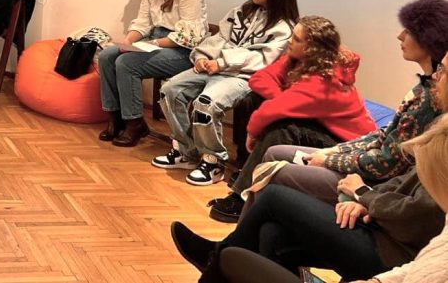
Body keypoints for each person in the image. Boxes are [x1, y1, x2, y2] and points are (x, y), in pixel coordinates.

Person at [171, 50, 448, 283]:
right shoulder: (433, 111)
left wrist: (363, 193)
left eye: (443, 70)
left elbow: (416, 209)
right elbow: (397, 169)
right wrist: (364, 197)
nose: (436, 76)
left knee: (274, 192)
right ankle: (223, 255)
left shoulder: (434, 120)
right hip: (376, 212)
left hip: (392, 245)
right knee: (271, 232)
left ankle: (216, 261)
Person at [253, 0, 448, 205]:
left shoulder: (429, 99)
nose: (399, 36)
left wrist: (329, 159)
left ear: (428, 40)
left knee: (274, 169)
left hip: (373, 181)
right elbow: (384, 135)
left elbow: (386, 164)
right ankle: (246, 215)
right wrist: (334, 151)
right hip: (359, 154)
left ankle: (247, 210)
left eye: (408, 31)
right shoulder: (423, 88)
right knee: (274, 152)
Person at [207, 16, 376, 222]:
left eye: (296, 39)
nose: (289, 41)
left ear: (311, 48)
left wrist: (252, 132)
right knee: (253, 101)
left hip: (348, 145)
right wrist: (284, 98)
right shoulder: (297, 60)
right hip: (324, 127)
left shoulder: (324, 81)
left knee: (283, 129)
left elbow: (271, 111)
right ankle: (247, 172)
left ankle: (242, 196)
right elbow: (260, 78)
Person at [153, 0, 298, 186]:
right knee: (169, 91)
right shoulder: (241, 12)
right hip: (214, 66)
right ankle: (185, 150)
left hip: (243, 76)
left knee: (206, 103)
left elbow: (261, 58)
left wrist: (221, 62)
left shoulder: (284, 27)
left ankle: (213, 161)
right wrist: (202, 56)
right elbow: (219, 38)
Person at [97, 0, 209, 147]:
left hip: (183, 51)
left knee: (126, 63)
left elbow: (190, 36)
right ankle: (115, 118)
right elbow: (142, 23)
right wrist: (127, 42)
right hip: (157, 42)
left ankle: (134, 123)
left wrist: (153, 43)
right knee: (106, 56)